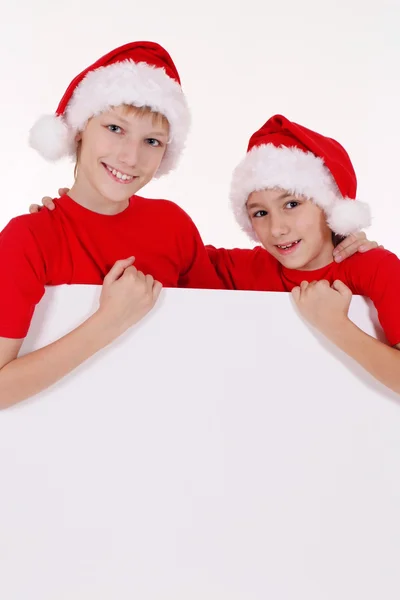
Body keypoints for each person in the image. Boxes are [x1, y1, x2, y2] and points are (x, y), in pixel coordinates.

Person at [0, 40, 224, 409]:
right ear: (79, 128)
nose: (131, 156)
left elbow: (221, 330)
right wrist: (110, 321)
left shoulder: (173, 225)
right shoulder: (29, 238)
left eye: (152, 140)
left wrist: (337, 246)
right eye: (115, 128)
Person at [206, 114, 399, 394]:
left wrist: (335, 325)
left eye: (292, 203)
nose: (277, 229)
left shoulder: (376, 267)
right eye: (260, 213)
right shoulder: (246, 269)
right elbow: (167, 254)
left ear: (328, 205)